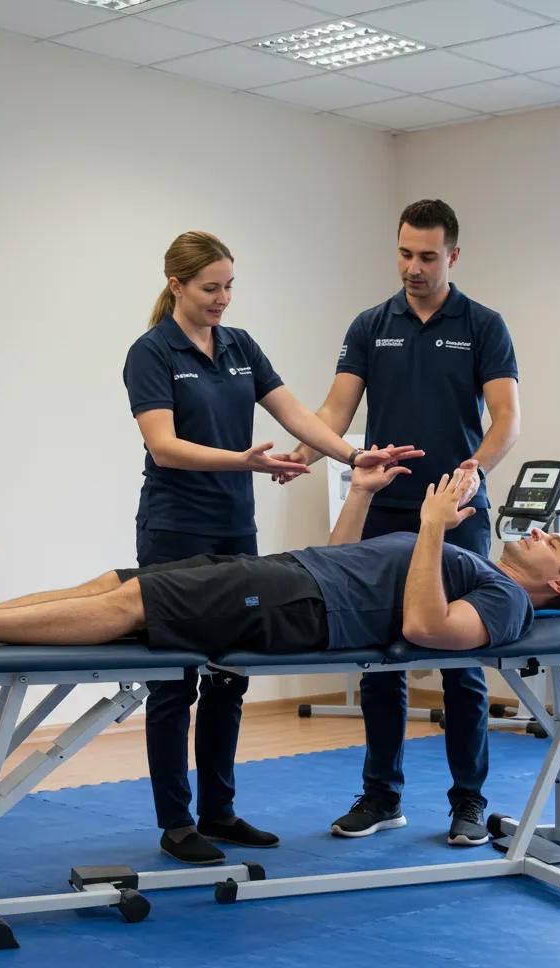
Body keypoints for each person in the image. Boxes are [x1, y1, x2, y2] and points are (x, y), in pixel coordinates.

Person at [0, 465, 560, 834]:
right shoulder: (479, 567)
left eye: (554, 542)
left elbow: (425, 632)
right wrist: (359, 491)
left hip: (298, 610)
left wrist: (435, 525)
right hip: (296, 576)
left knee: (133, 607)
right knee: (119, 582)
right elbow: (342, 555)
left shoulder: (505, 602)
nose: (538, 532)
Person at [119, 230, 408, 865]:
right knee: (175, 680)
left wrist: (356, 454)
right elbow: (164, 446)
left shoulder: (241, 346)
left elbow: (298, 416)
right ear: (177, 286)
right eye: (210, 288)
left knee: (230, 672)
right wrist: (243, 462)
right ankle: (176, 822)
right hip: (175, 528)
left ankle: (218, 811)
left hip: (234, 528)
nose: (223, 298)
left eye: (229, 286)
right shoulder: (151, 352)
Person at [277, 198, 522, 846]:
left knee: (461, 662)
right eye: (405, 254)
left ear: (453, 257)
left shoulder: (484, 326)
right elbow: (335, 406)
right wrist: (301, 455)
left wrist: (475, 466)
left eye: (428, 256)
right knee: (379, 659)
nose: (414, 267)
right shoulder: (370, 324)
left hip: (458, 513)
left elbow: (506, 418)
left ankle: (468, 801)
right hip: (386, 508)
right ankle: (382, 796)